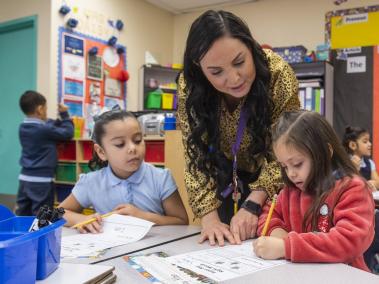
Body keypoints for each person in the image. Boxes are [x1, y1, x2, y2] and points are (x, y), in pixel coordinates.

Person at [177, 10, 300, 246]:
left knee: (271, 244)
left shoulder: (277, 73)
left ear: (250, 46)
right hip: (222, 177)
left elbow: (288, 147)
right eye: (216, 72)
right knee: (222, 243)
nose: (234, 79)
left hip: (273, 176)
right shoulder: (189, 86)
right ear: (199, 68)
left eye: (240, 62)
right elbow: (195, 155)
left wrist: (254, 202)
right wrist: (209, 218)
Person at [253, 111, 375, 272]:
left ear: (326, 152)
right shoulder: (291, 190)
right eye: (284, 166)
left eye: (297, 164)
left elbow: (350, 241)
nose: (291, 173)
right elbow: (268, 214)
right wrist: (277, 233)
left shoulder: (352, 188)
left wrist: (286, 247)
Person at [60, 109, 188, 233]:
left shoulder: (161, 178)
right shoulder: (91, 182)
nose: (132, 148)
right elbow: (58, 213)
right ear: (101, 152)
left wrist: (142, 216)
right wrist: (83, 219)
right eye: (120, 144)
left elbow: (181, 221)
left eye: (137, 140)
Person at [16, 90, 74, 216]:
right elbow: (68, 133)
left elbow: (48, 124)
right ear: (40, 109)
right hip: (41, 181)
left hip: (25, 179)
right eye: (46, 109)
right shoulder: (44, 129)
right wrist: (64, 115)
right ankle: (41, 236)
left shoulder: (23, 127)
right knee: (42, 215)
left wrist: (55, 121)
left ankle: (22, 235)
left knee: (23, 213)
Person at [342, 126, 379, 191]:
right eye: (365, 141)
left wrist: (372, 183)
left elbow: (377, 182)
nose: (370, 144)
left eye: (369, 141)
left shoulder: (370, 162)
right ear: (353, 145)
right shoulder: (344, 162)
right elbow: (343, 184)